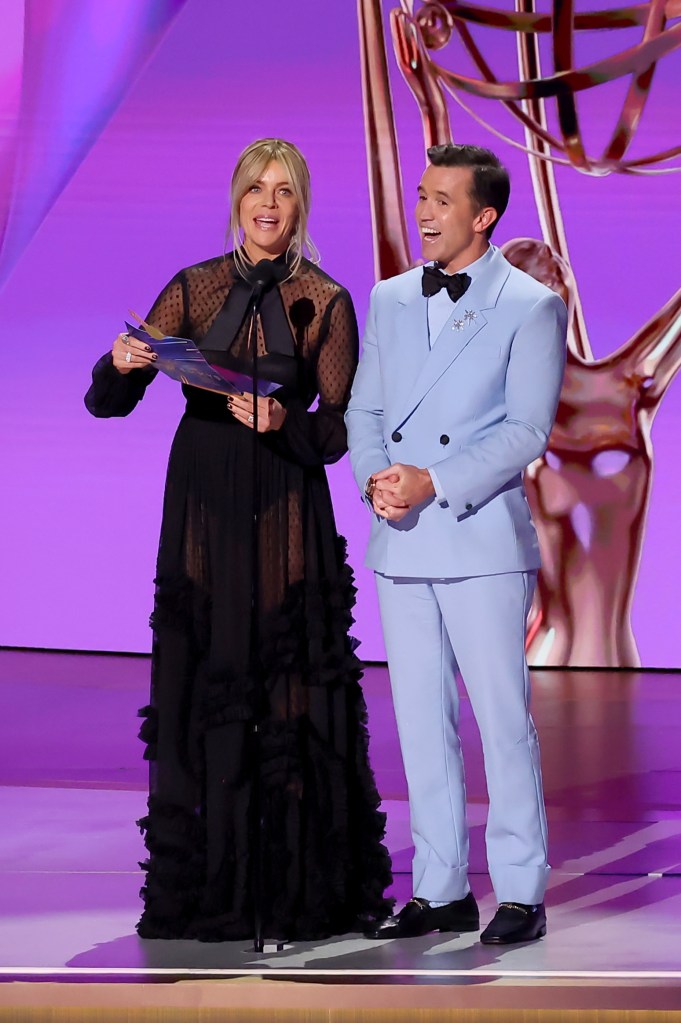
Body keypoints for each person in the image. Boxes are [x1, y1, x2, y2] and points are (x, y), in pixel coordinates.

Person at [85, 138, 393, 942]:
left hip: (287, 502)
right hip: (204, 503)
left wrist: (286, 419)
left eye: (284, 192)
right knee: (209, 672)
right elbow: (110, 401)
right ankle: (207, 884)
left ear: (300, 208)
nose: (268, 204)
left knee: (284, 680)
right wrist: (119, 362)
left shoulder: (322, 298)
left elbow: (340, 430)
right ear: (236, 201)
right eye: (256, 189)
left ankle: (296, 888)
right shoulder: (194, 286)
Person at [345, 143, 567, 944]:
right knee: (419, 717)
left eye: (442, 200)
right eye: (420, 196)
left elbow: (525, 430)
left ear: (484, 216)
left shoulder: (530, 305)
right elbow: (364, 409)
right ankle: (438, 887)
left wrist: (430, 478)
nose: (424, 213)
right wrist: (378, 477)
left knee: (502, 718)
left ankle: (519, 887)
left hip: (476, 537)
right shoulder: (391, 296)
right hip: (400, 536)